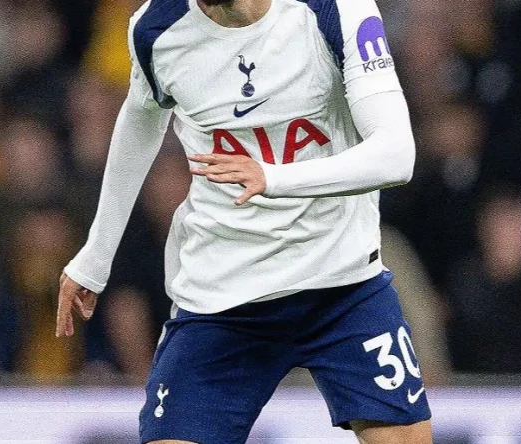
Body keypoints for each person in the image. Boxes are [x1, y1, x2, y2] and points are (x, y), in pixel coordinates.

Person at [56, 0, 432, 442]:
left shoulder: (335, 9)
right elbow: (140, 119)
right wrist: (95, 257)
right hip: (221, 297)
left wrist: (272, 178)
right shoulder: (156, 28)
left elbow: (396, 154)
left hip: (342, 286)